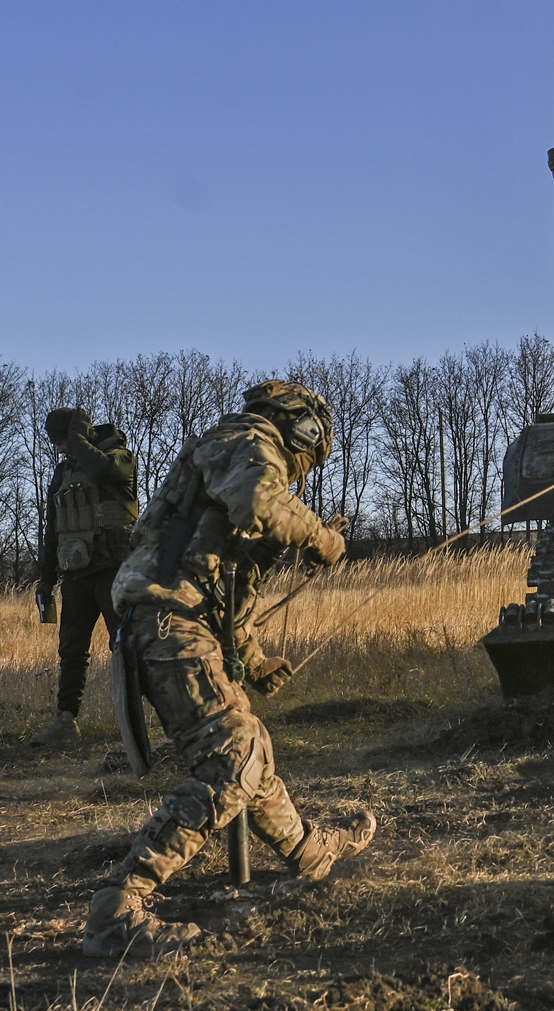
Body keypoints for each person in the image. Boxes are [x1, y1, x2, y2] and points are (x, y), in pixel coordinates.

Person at [82, 379, 376, 957]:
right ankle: (118, 908)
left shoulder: (234, 460)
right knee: (235, 754)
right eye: (310, 454)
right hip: (167, 619)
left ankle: (312, 853)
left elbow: (227, 589)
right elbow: (259, 504)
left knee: (251, 749)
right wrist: (321, 539)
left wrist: (256, 658)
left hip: (179, 620)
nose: (303, 471)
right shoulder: (246, 439)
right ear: (301, 429)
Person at [31, 409, 139, 747]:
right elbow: (53, 529)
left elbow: (105, 470)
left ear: (79, 434)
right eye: (60, 443)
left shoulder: (119, 457)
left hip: (114, 571)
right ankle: (65, 723)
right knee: (72, 651)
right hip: (76, 574)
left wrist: (78, 439)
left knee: (126, 649)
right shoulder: (63, 473)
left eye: (64, 440)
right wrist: (46, 579)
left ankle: (137, 726)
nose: (62, 449)